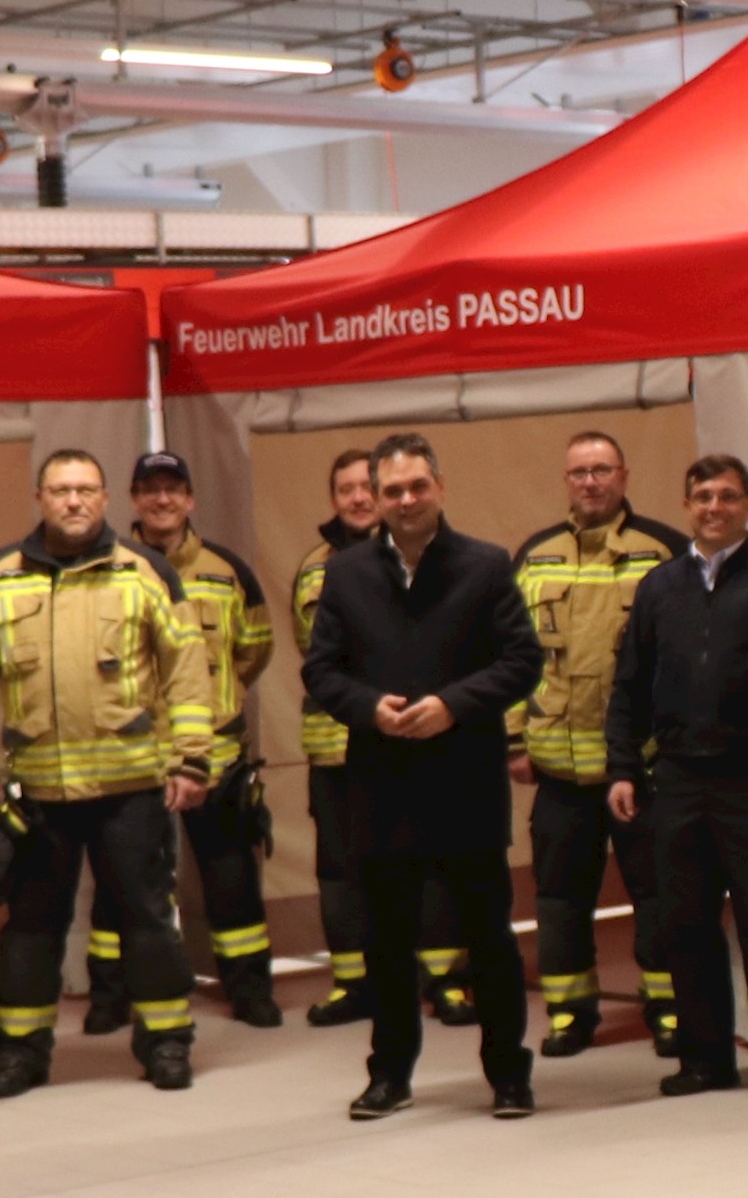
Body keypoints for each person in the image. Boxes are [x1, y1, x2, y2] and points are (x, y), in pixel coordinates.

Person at [0, 449, 218, 1097]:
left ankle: (167, 1043)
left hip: (132, 789)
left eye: (86, 491)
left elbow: (187, 673)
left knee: (148, 921)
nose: (73, 502)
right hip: (37, 793)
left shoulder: (145, 573)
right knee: (31, 927)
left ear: (105, 500)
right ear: (39, 497)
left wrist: (191, 758)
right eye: (61, 490)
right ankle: (20, 1052)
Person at [305, 432, 544, 1119]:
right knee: (385, 942)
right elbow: (321, 670)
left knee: (488, 940)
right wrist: (368, 709)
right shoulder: (346, 574)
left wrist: (455, 706)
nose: (406, 500)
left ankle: (508, 1075)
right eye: (392, 491)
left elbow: (522, 661)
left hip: (465, 782)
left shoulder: (486, 566)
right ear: (374, 499)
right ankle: (390, 1074)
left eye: (417, 487)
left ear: (439, 487)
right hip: (380, 786)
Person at [605, 453, 748, 1102]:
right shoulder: (658, 588)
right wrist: (623, 765)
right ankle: (706, 1059)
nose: (714, 506)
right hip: (676, 781)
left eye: (728, 496)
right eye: (702, 495)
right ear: (687, 506)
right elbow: (629, 686)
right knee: (685, 923)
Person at [77, 452, 282, 1031]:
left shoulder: (228, 571)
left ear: (190, 499)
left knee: (230, 878)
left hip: (215, 755)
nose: (161, 500)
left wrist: (218, 701)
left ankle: (250, 991)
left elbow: (255, 647)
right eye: (149, 490)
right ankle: (110, 995)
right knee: (125, 880)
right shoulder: (108, 568)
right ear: (134, 500)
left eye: (172, 490)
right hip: (137, 759)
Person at [511, 431, 687, 1059]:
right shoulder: (535, 555)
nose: (590, 483)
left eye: (602, 470)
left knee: (659, 893)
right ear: (566, 481)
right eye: (579, 472)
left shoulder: (665, 550)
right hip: (558, 766)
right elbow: (510, 657)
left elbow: (693, 652)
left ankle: (669, 1006)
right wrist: (512, 740)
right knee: (558, 900)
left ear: (624, 475)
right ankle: (569, 1012)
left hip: (642, 767)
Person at [290, 448, 476, 1031]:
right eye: (344, 489)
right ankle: (354, 983)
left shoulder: (434, 556)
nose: (357, 498)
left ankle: (444, 980)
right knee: (341, 870)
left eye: (365, 487)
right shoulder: (314, 569)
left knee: (434, 860)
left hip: (421, 741)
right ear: (334, 499)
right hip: (339, 747)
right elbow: (313, 655)